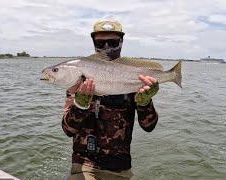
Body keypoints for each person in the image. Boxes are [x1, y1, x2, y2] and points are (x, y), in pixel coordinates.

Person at [62, 20, 159, 180]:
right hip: (84, 165)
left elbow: (149, 126)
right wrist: (80, 105)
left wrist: (145, 103)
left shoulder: (133, 77)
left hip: (120, 168)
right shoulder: (77, 80)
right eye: (101, 42)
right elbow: (68, 130)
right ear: (94, 43)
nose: (107, 47)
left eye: (113, 42)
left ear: (121, 42)